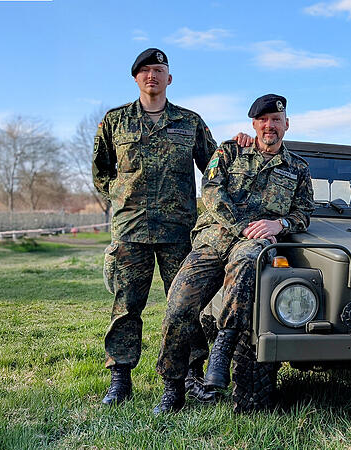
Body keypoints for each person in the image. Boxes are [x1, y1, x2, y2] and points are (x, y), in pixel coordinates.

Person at [154, 94, 315, 414]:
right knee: (179, 305)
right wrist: (241, 225)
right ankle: (173, 386)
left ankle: (223, 348)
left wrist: (279, 223)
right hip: (215, 238)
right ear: (254, 124)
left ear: (287, 125)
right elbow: (211, 191)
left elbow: (304, 212)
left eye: (276, 120)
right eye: (263, 120)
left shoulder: (298, 168)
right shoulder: (230, 151)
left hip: (255, 242)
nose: (270, 126)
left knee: (246, 266)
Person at [92, 48, 216, 406]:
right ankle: (120, 378)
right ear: (136, 78)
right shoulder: (115, 121)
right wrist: (119, 198)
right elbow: (101, 171)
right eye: (145, 70)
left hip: (178, 231)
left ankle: (190, 375)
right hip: (130, 231)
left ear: (169, 78)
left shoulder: (190, 122)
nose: (152, 76)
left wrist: (239, 145)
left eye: (158, 70)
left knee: (185, 305)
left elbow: (214, 170)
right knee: (126, 306)